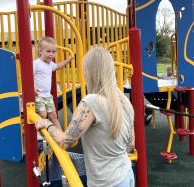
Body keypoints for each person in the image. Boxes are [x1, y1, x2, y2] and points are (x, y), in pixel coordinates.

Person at [35, 47, 135, 187]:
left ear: (89, 73)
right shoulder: (124, 101)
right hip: (126, 174)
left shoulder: (92, 102)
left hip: (106, 182)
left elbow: (65, 141)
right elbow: (131, 145)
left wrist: (47, 123)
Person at [33, 37, 72, 130]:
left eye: (53, 52)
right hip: (38, 95)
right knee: (43, 114)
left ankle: (61, 134)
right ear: (40, 51)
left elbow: (58, 66)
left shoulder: (50, 64)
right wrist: (32, 88)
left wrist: (67, 61)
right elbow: (29, 76)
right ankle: (40, 132)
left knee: (54, 116)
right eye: (48, 51)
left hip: (48, 96)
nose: (51, 54)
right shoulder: (36, 63)